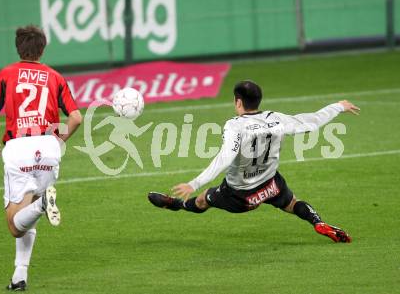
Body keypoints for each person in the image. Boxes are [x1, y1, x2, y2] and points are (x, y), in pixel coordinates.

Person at [148, 80, 359, 243]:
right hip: (270, 184)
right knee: (293, 203)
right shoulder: (275, 118)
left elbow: (225, 157)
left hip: (240, 195)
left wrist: (193, 184)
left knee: (203, 199)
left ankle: (175, 205)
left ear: (238, 102)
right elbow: (311, 122)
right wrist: (337, 106)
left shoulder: (234, 125)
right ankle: (318, 222)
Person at [0, 25, 82, 291]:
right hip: (49, 148)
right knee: (28, 214)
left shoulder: (6, 75)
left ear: (18, 48)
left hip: (19, 147)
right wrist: (60, 140)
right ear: (43, 49)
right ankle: (19, 276)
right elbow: (76, 117)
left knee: (16, 225)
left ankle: (42, 206)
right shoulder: (55, 77)